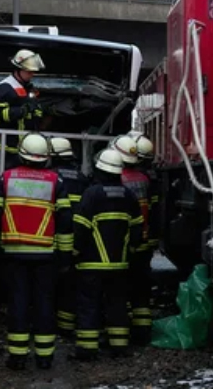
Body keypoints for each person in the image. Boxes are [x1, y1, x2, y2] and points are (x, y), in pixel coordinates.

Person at [0, 133, 70, 371]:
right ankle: (45, 356)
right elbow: (65, 220)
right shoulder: (56, 181)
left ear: (21, 154)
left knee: (18, 302)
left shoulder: (6, 178)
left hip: (14, 253)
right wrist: (65, 255)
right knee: (44, 303)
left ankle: (18, 356)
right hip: (46, 253)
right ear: (46, 157)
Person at [71, 148, 142, 361]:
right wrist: (132, 250)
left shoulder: (92, 194)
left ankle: (87, 349)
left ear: (99, 169)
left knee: (88, 305)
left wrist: (75, 251)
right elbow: (137, 228)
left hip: (91, 264)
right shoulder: (129, 195)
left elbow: (81, 226)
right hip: (119, 265)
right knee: (117, 304)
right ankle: (119, 346)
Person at [113, 134, 155, 345]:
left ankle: (121, 332)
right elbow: (153, 208)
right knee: (141, 287)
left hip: (122, 243)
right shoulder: (144, 180)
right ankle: (143, 330)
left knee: (120, 286)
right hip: (143, 241)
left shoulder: (117, 180)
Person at [49, 136, 88, 338]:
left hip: (52, 238)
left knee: (49, 284)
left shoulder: (51, 176)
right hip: (76, 238)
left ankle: (49, 322)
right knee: (70, 284)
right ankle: (66, 325)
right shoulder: (82, 178)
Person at [0, 49, 45, 166]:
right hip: (8, 148)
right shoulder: (5, 88)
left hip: (27, 147)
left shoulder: (28, 87)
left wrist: (37, 112)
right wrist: (22, 111)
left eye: (33, 72)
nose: (32, 75)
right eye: (29, 72)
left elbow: (35, 109)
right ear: (18, 69)